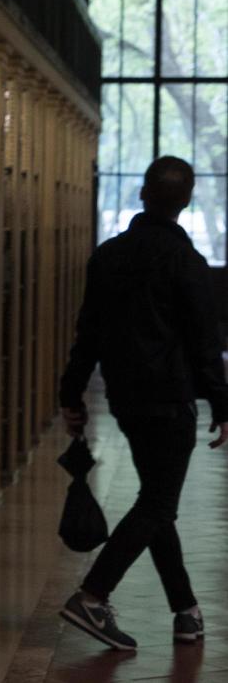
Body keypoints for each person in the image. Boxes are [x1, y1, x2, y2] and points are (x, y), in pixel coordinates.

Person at [58, 156, 228, 651]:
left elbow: (86, 332)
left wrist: (71, 392)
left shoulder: (108, 256)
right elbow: (203, 340)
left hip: (126, 399)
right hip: (170, 400)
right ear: (187, 201)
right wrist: (221, 401)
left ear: (140, 194)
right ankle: (92, 595)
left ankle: (186, 611)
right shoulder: (186, 262)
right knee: (157, 502)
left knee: (158, 503)